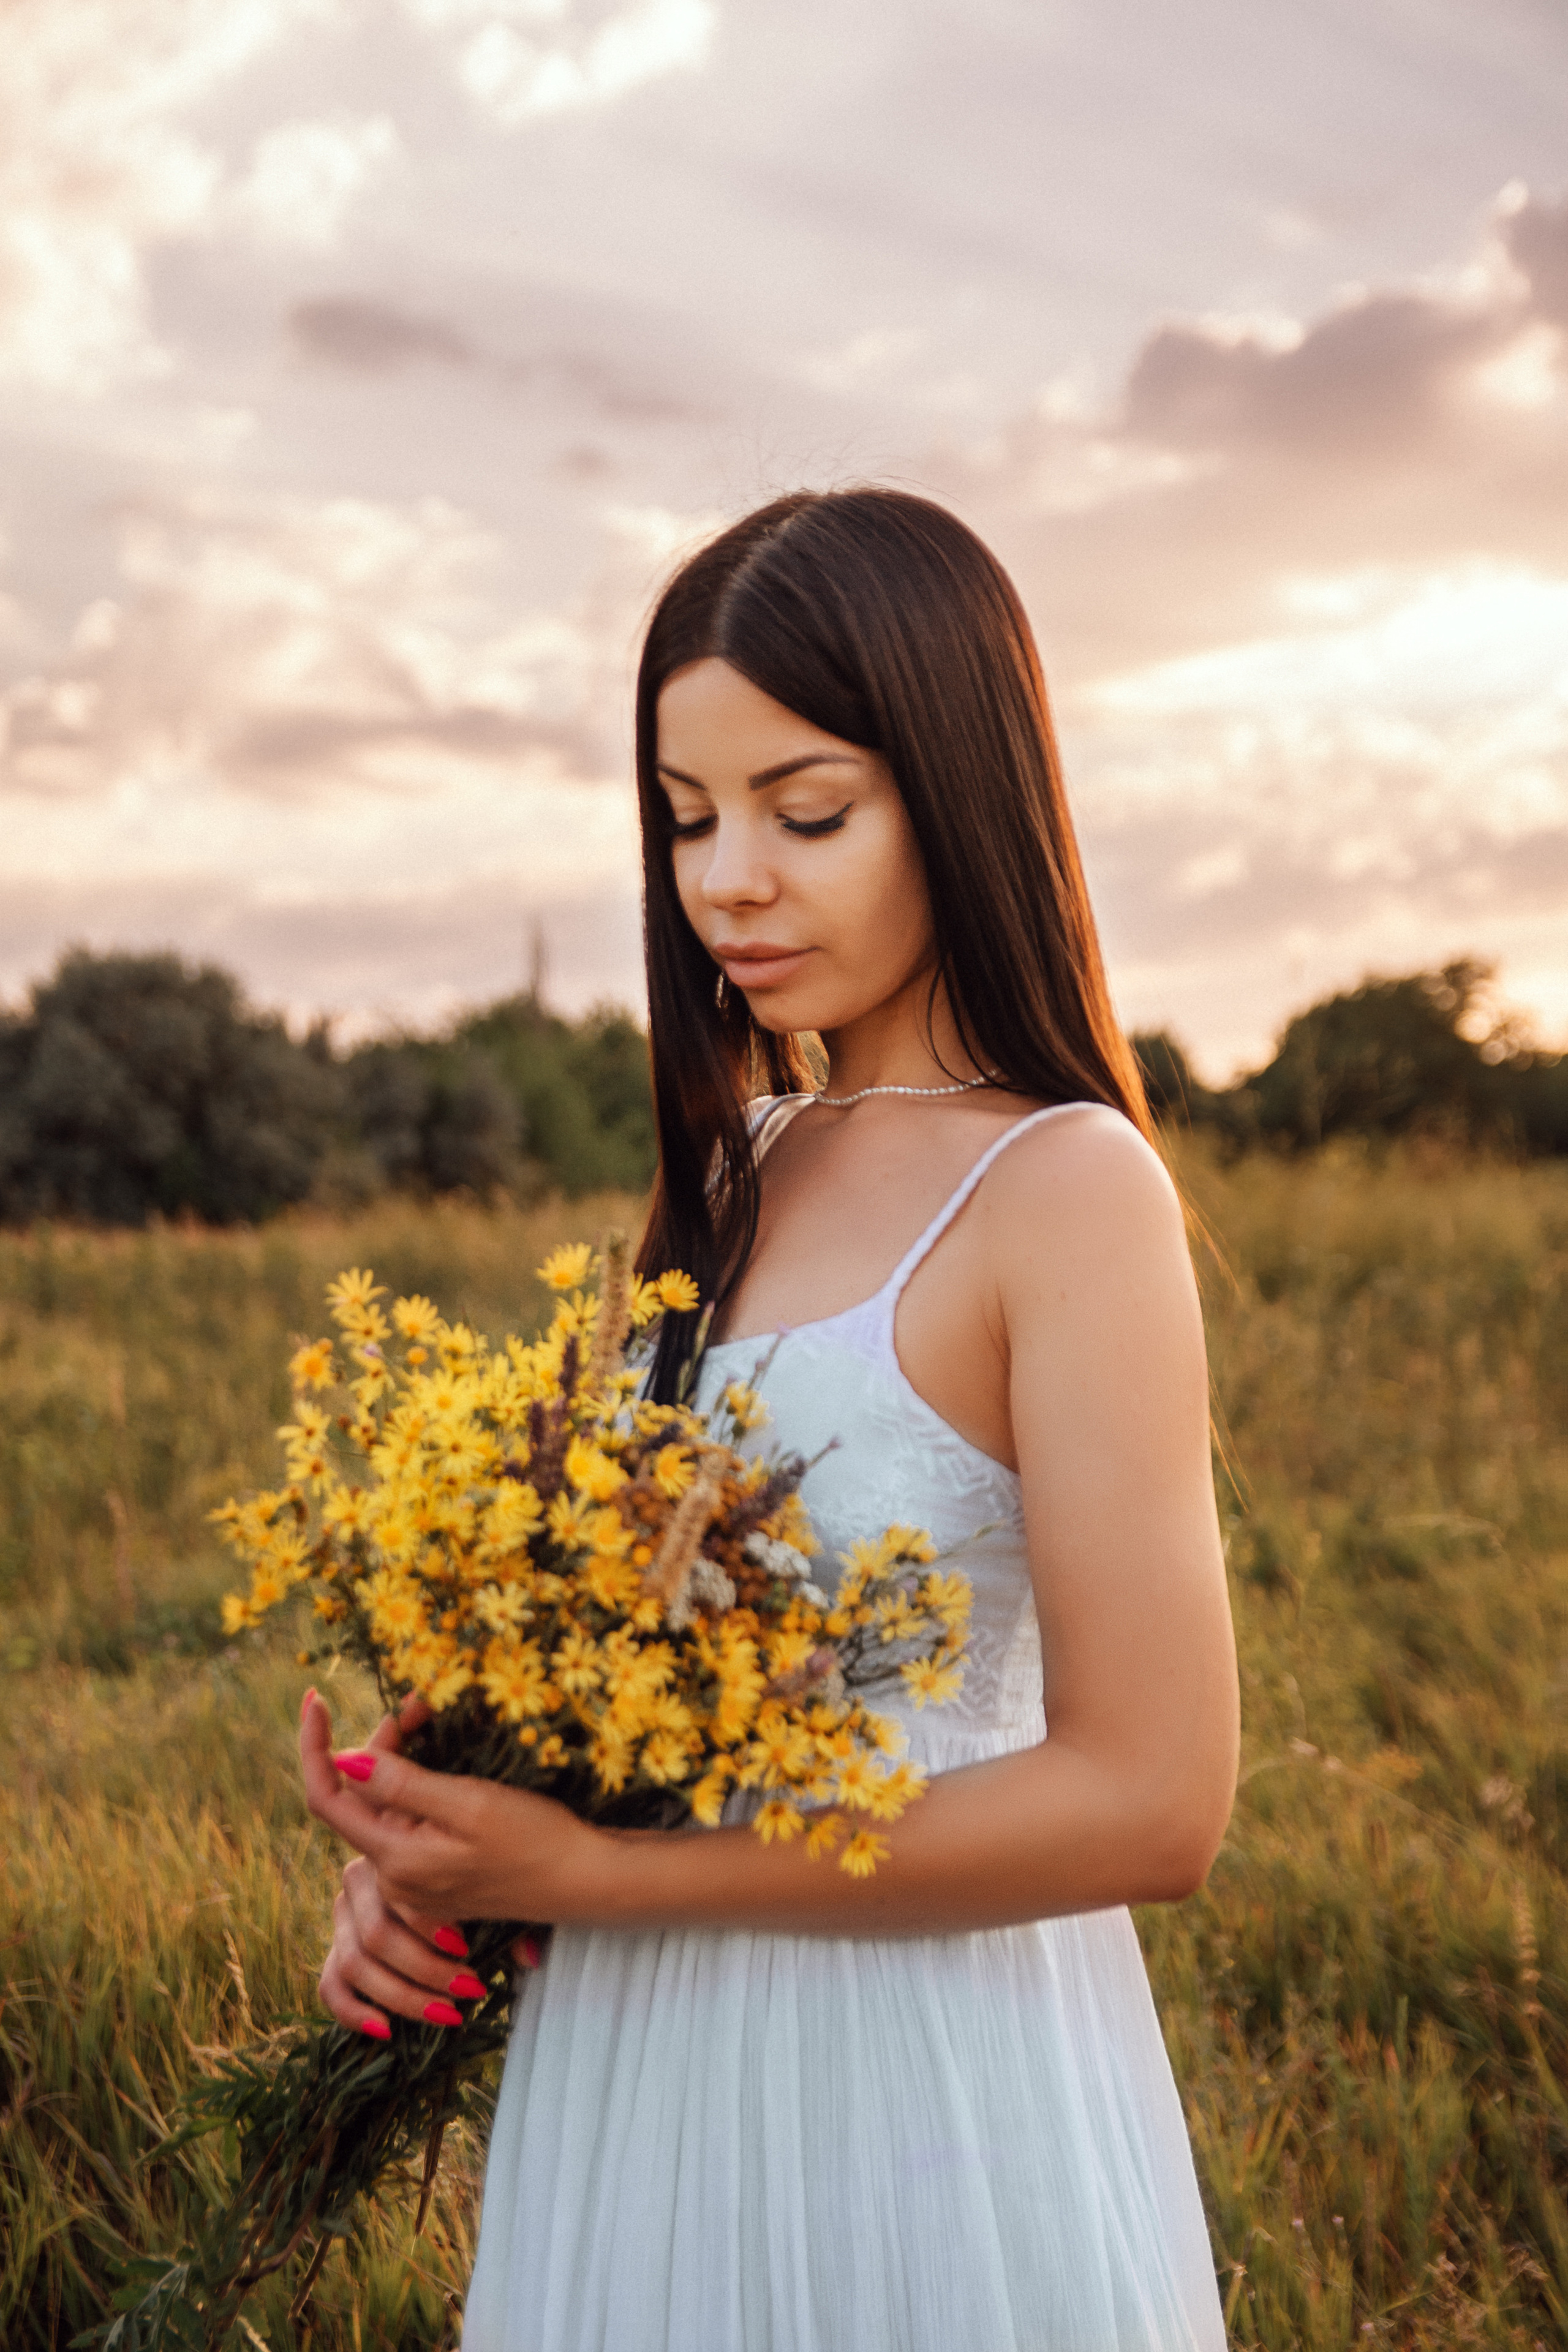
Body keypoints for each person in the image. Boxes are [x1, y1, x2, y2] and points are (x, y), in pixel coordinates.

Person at [300, 488, 1239, 2351]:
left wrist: (609, 1874)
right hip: (640, 2071)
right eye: (686, 816)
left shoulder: (1069, 1191)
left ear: (958, 791)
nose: (728, 876)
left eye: (805, 811)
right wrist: (444, 1861)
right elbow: (620, 1653)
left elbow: (1156, 1796)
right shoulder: (735, 1167)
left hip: (925, 2090)